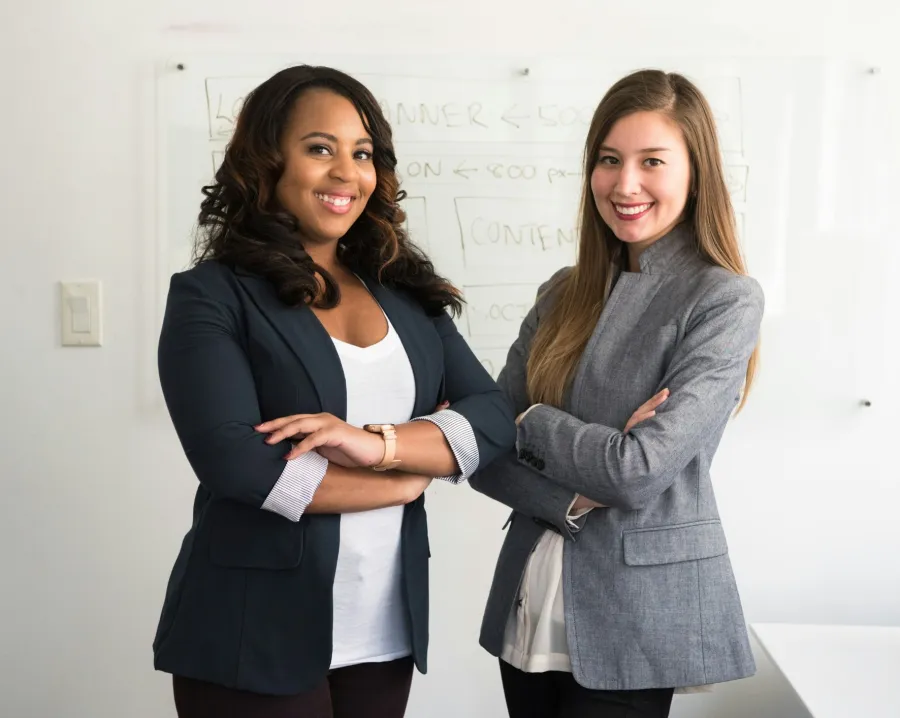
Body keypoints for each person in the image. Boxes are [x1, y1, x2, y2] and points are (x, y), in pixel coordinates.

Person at [152, 64, 517, 718]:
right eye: (320, 148)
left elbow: (491, 418)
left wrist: (376, 447)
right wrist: (403, 481)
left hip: (383, 630)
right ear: (267, 162)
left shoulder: (406, 294)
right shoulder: (211, 295)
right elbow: (239, 464)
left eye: (363, 153)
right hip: (251, 631)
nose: (347, 172)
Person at [469, 68, 764, 718]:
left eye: (651, 161)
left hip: (636, 616)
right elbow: (484, 451)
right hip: (529, 600)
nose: (624, 184)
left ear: (696, 173)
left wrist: (531, 419)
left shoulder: (723, 299)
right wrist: (570, 495)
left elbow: (636, 471)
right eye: (609, 160)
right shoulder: (561, 292)